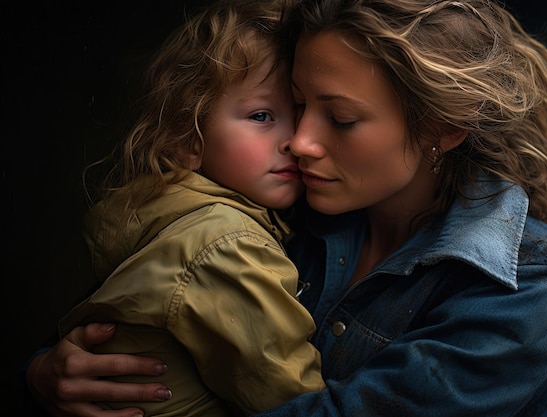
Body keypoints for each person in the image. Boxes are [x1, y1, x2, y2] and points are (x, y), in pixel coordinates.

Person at [24, 0, 547, 416]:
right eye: (296, 105)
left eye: (341, 118)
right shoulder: (288, 211)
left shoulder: (528, 291)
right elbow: (151, 308)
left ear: (443, 127)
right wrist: (51, 372)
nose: (299, 142)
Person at [23, 0, 327, 416]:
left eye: (303, 113)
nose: (295, 140)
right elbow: (294, 399)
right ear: (188, 139)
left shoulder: (172, 217)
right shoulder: (224, 244)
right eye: (261, 115)